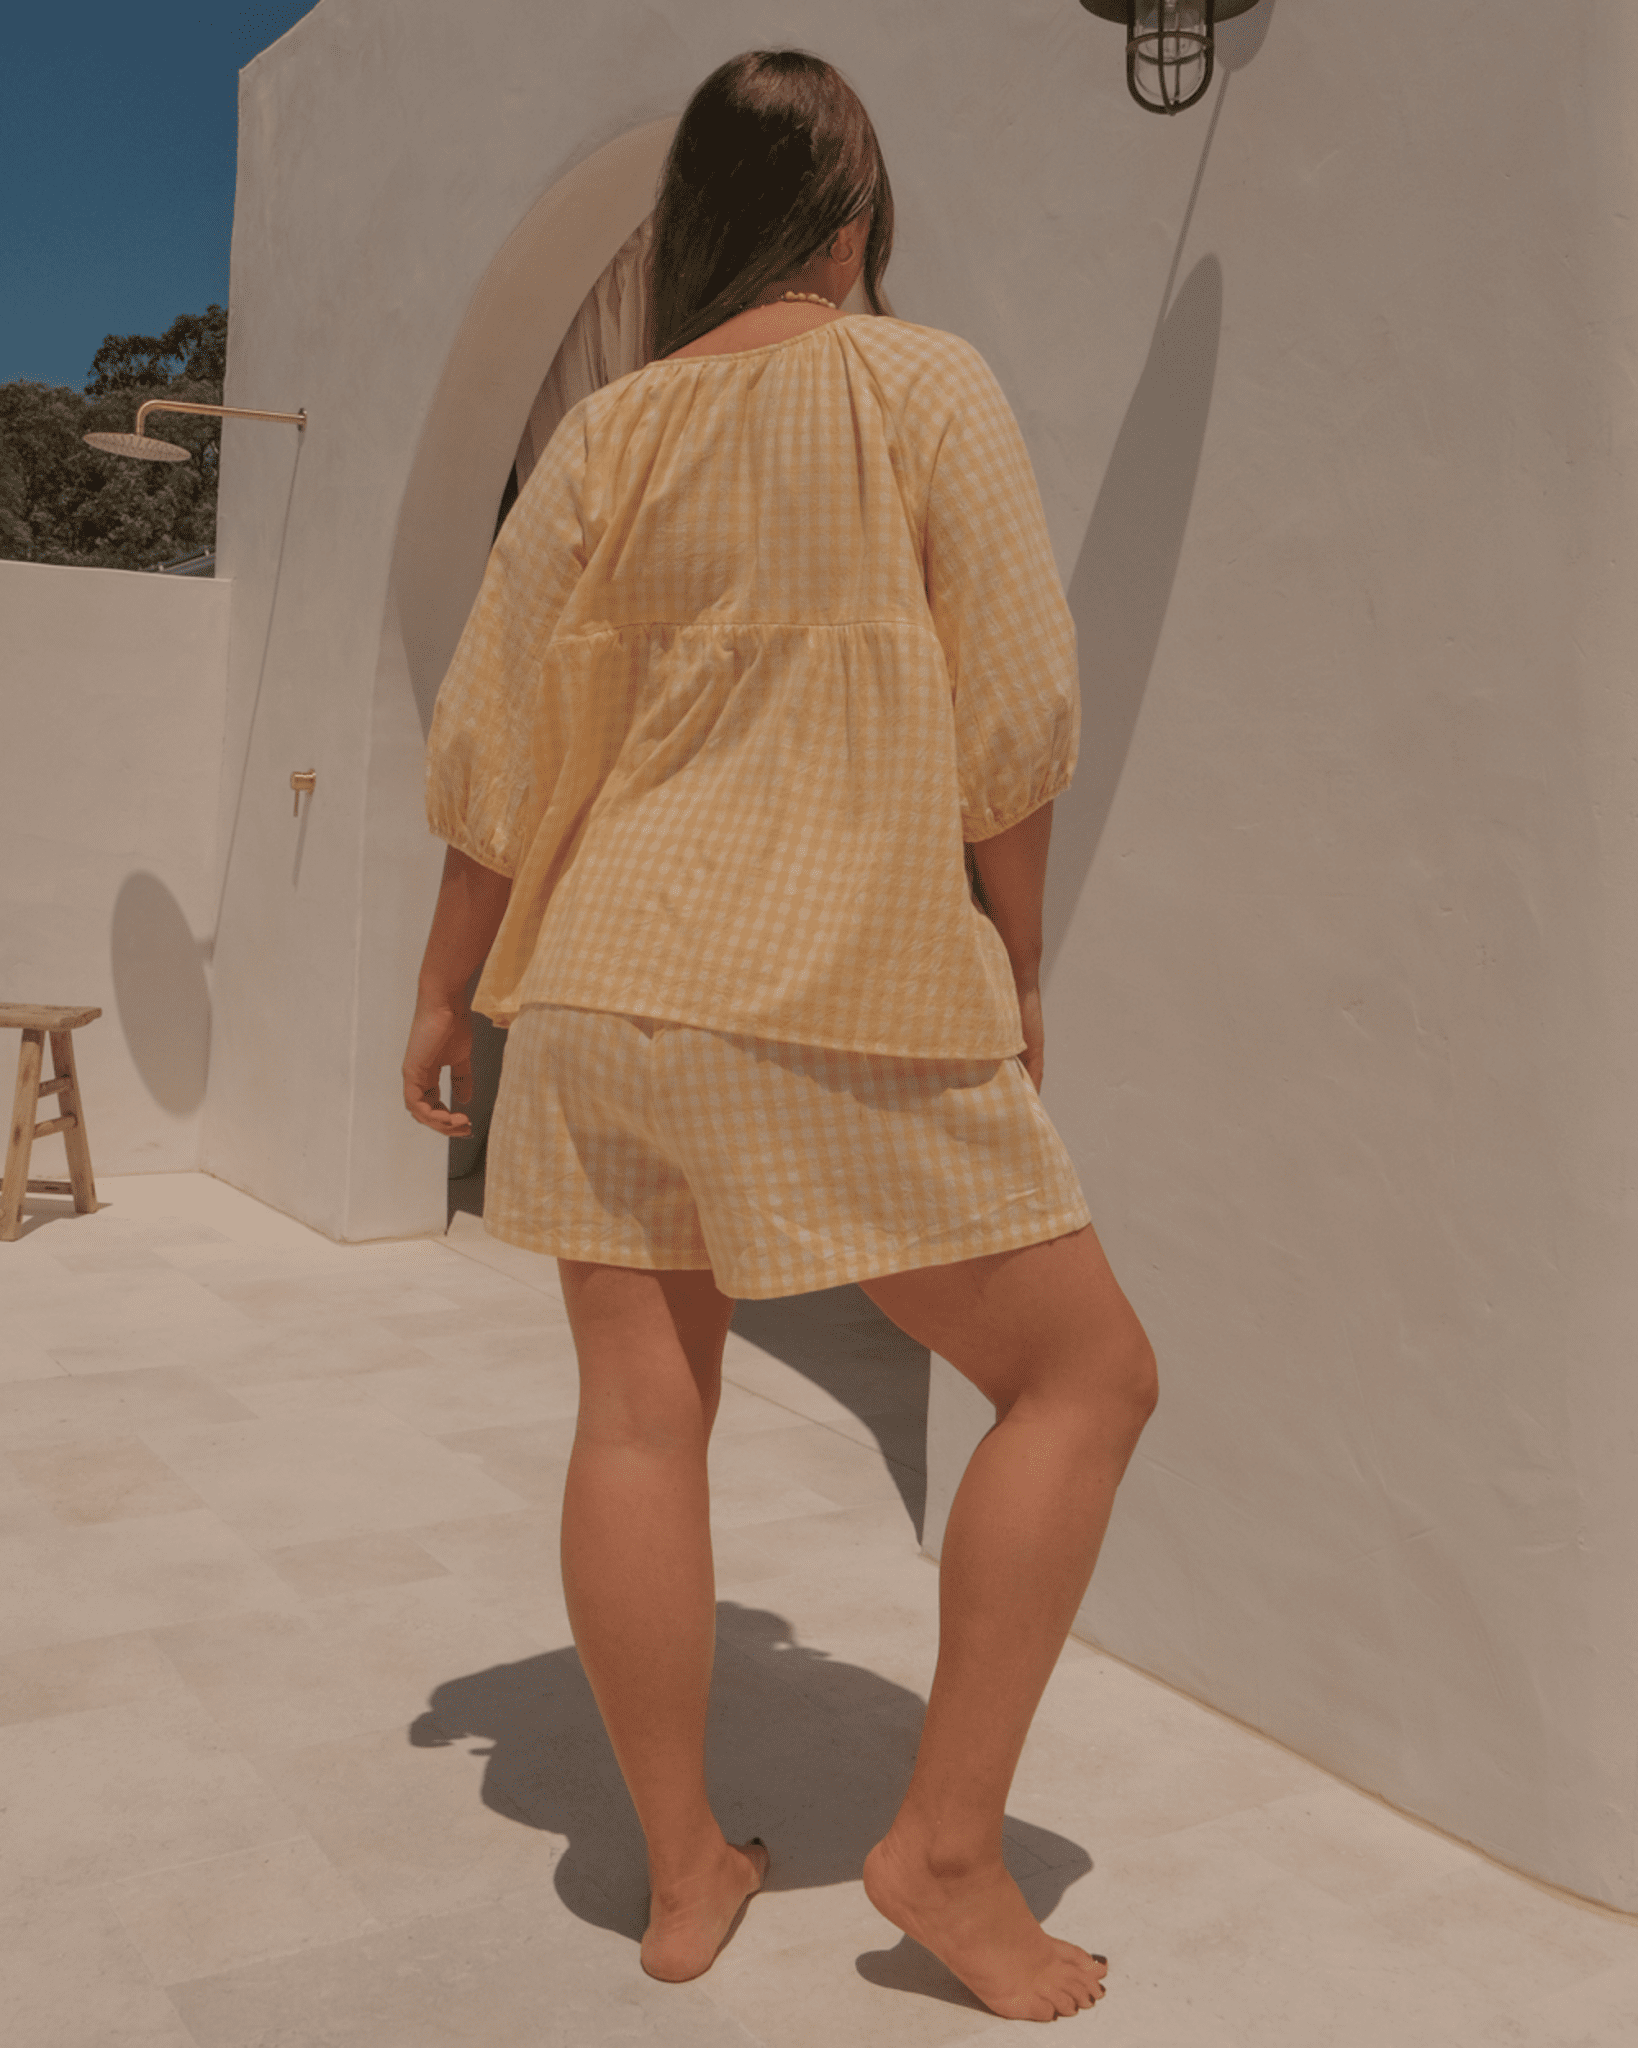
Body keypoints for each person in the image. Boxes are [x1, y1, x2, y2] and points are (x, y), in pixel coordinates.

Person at [402, 46, 1157, 2025]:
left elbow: (496, 739)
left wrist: (441, 988)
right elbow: (1011, 713)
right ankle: (948, 1854)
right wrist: (1019, 958)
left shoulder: (603, 434)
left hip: (601, 988)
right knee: (1086, 1377)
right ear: (852, 220)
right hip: (835, 978)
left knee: (639, 1418)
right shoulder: (923, 387)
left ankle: (681, 1874)